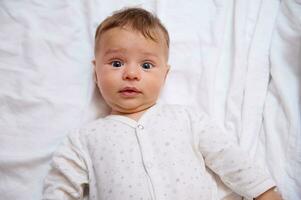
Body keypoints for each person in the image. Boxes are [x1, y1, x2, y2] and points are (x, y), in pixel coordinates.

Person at [42, 7, 282, 200]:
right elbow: (60, 188)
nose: (131, 74)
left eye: (146, 65)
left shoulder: (187, 119)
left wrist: (263, 191)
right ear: (96, 72)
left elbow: (228, 157)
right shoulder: (83, 139)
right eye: (117, 63)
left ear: (164, 75)